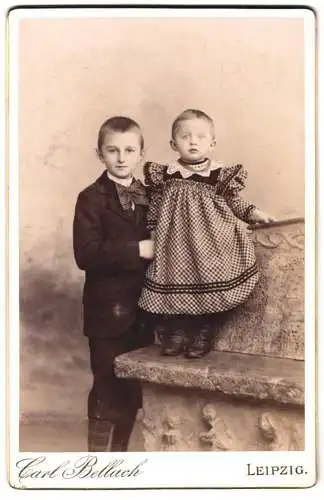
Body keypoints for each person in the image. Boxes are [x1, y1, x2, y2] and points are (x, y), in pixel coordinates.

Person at [138, 109, 275, 359]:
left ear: (211, 144)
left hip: (211, 241)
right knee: (175, 281)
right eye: (185, 136)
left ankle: (204, 329)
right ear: (173, 143)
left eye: (200, 137)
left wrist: (255, 213)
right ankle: (178, 330)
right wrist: (153, 234)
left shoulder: (219, 175)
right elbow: (155, 208)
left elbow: (236, 202)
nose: (192, 141)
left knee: (209, 281)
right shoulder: (164, 175)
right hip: (175, 243)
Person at [73, 116, 154, 452]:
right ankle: (97, 462)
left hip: (144, 310)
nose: (121, 158)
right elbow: (86, 254)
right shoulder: (91, 198)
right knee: (106, 386)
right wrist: (138, 249)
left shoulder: (152, 195)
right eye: (112, 150)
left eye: (129, 150)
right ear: (99, 154)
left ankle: (118, 456)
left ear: (141, 154)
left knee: (133, 390)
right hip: (106, 313)